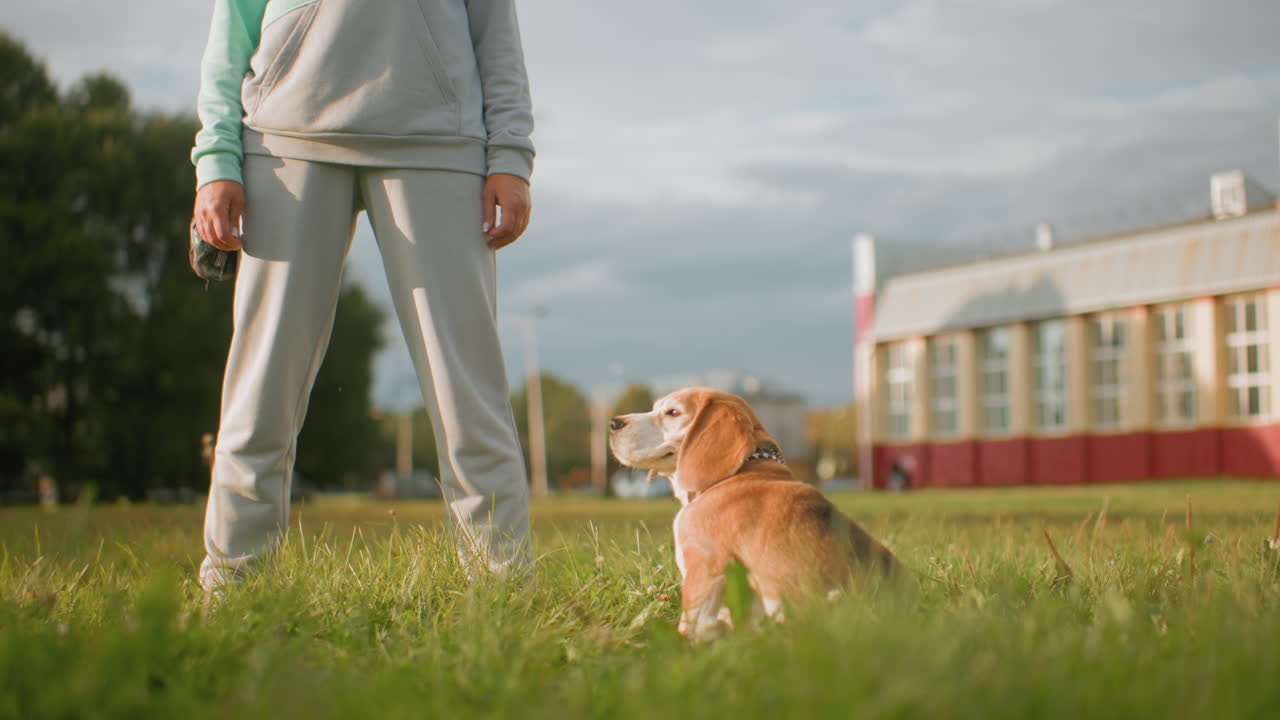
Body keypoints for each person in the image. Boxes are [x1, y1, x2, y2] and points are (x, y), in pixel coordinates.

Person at [191, 0, 535, 592]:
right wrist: (215, 158)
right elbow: (231, 31)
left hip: (440, 145)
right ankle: (233, 591)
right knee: (261, 388)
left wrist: (511, 153)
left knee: (468, 395)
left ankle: (505, 593)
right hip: (284, 141)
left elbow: (496, 31)